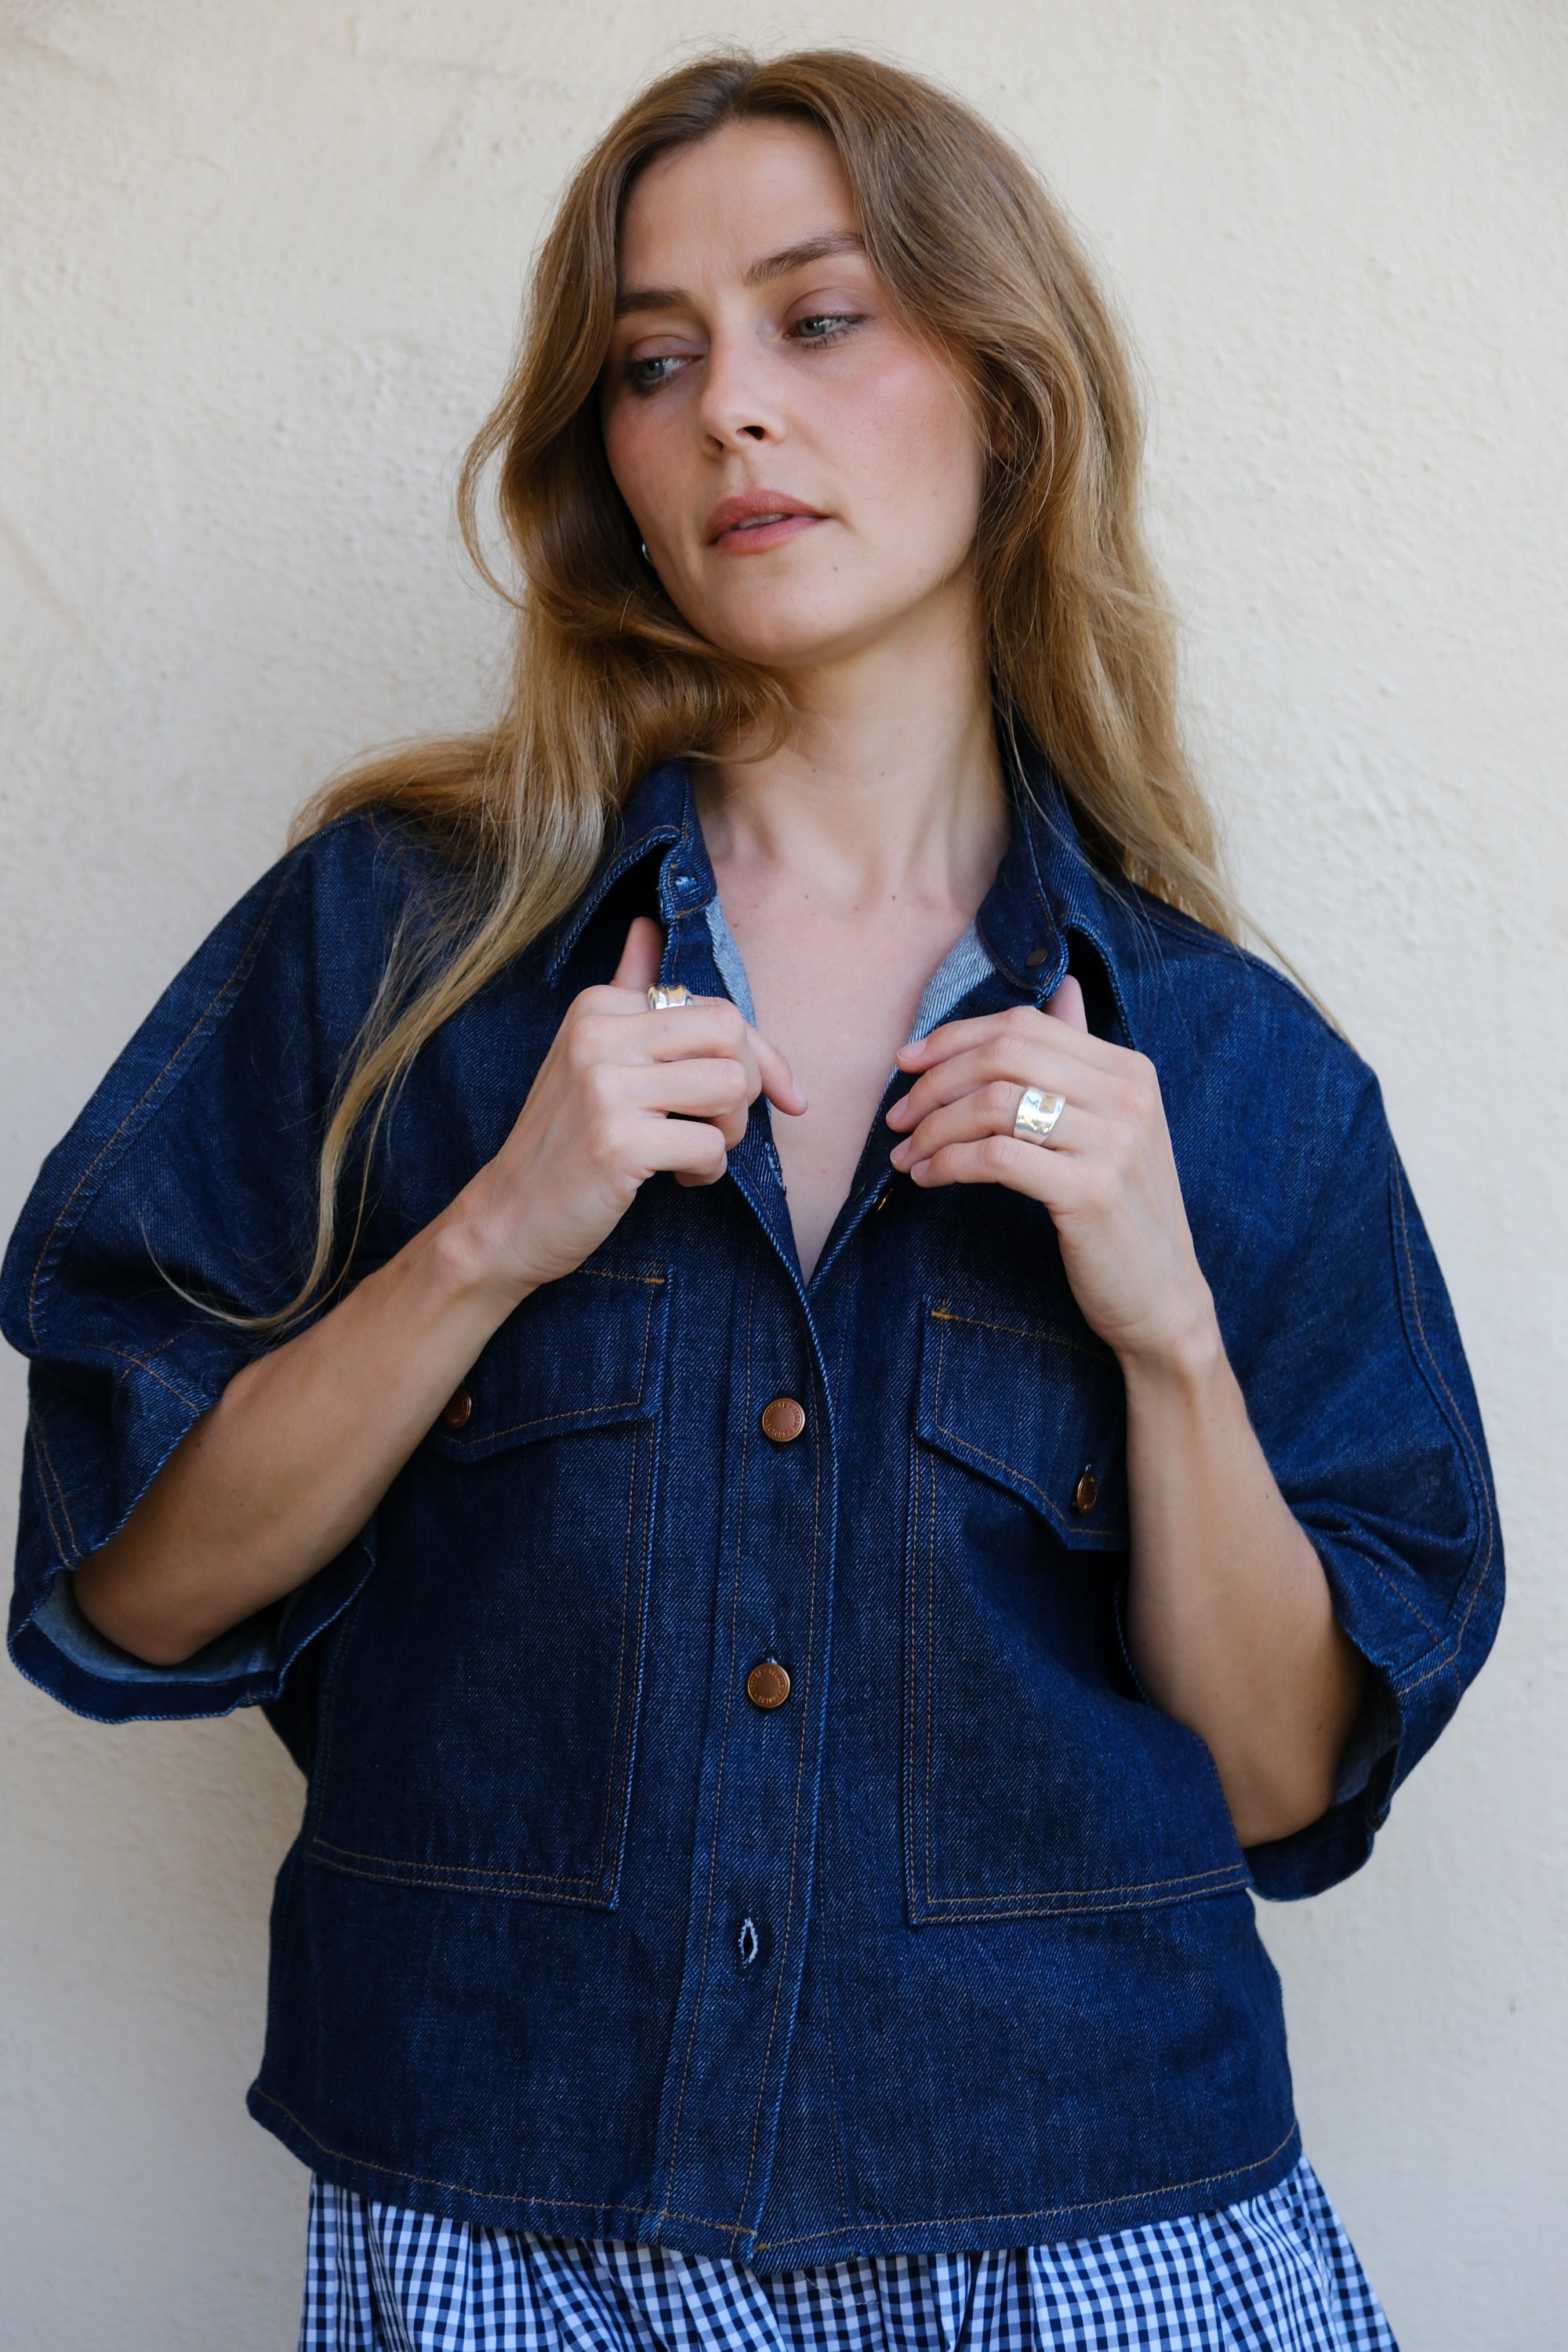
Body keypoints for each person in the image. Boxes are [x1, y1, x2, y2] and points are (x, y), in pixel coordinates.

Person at [2, 49, 1499, 2352]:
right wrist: (495, 1231)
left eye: (820, 319)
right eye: (654, 361)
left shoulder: (1230, 1070)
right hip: (506, 2231)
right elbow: (128, 1596)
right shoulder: (397, 953)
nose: (731, 412)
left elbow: (1288, 1785)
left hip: (1092, 2234)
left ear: (1005, 395)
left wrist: (1169, 1331)